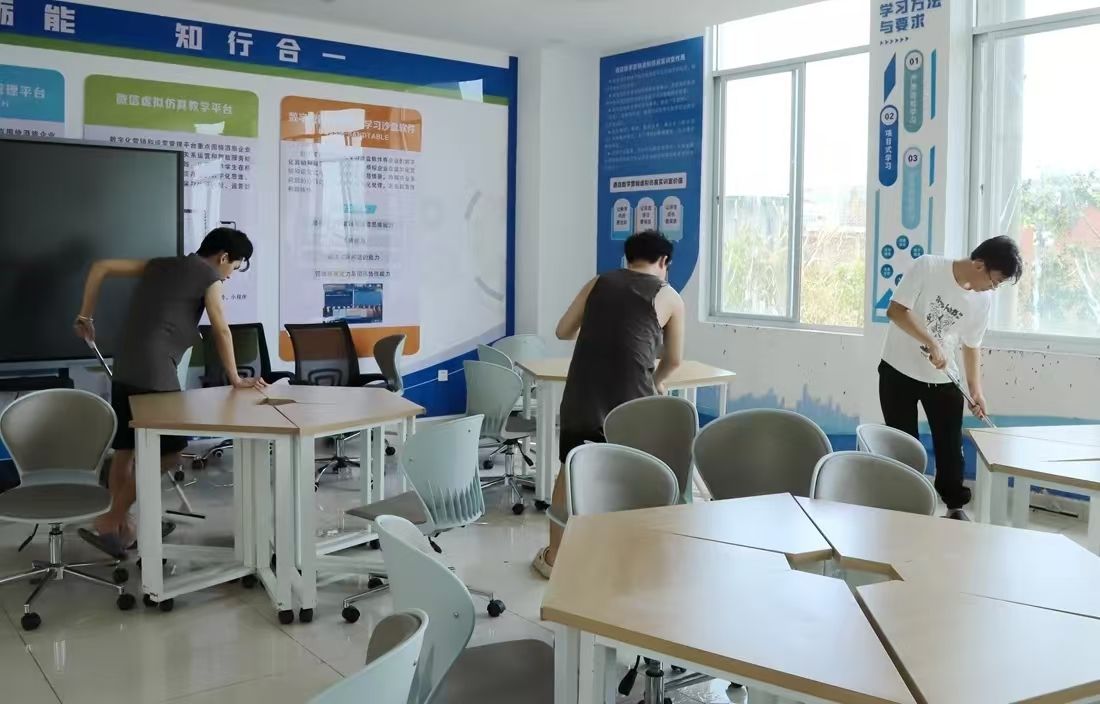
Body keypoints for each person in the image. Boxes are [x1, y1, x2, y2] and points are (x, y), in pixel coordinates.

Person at [73, 227, 266, 557]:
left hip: (126, 364)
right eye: (234, 267)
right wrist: (235, 378)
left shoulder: (160, 264)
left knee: (125, 450)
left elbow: (101, 267)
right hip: (154, 369)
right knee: (169, 454)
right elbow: (220, 328)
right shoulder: (209, 277)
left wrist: (84, 315)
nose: (231, 275)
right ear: (223, 257)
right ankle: (111, 518)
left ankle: (120, 530)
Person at [531, 230, 685, 578]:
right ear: (664, 261)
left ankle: (555, 558)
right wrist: (657, 381)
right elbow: (674, 360)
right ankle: (628, 559)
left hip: (583, 395)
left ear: (628, 258)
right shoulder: (670, 296)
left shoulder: (599, 282)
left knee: (570, 469)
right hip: (633, 404)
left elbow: (562, 331)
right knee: (633, 475)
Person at [879, 235, 1022, 512]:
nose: (993, 288)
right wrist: (932, 343)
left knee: (951, 457)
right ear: (979, 265)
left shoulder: (983, 300)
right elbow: (896, 311)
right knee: (904, 448)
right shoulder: (928, 267)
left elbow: (971, 345)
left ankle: (955, 510)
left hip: (943, 378)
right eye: (994, 281)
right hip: (897, 371)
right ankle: (907, 507)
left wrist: (976, 391)